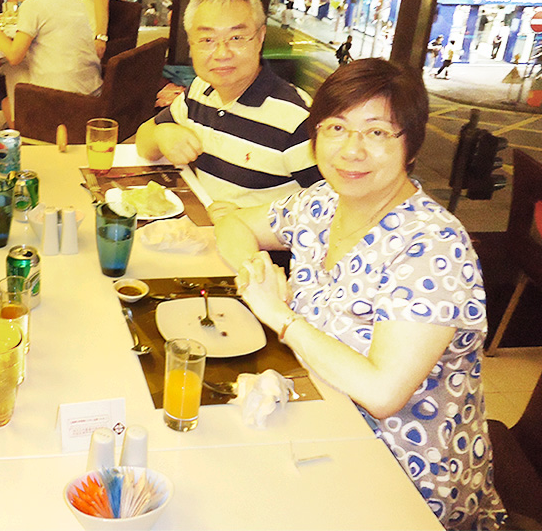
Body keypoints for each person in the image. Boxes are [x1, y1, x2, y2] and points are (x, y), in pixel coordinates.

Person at [216, 59, 506, 530]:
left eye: (377, 132)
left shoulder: (432, 246)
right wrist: (255, 269)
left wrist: (280, 315)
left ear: (411, 145)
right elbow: (233, 225)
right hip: (320, 423)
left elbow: (382, 392)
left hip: (404, 479)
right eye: (336, 127)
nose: (352, 150)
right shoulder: (323, 202)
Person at [135, 0, 321, 219]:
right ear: (191, 44)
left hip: (257, 241)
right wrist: (162, 134)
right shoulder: (201, 90)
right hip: (202, 228)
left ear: (260, 37)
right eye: (207, 40)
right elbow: (144, 140)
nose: (222, 53)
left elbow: (335, 209)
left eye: (236, 37)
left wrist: (253, 219)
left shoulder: (297, 119)